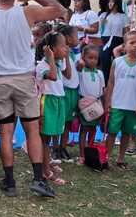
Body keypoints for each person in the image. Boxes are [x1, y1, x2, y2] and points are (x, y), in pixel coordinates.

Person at [0, 0, 65, 198]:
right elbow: (59, 10)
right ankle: (37, 179)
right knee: (32, 129)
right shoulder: (28, 12)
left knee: (6, 131)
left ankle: (10, 181)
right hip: (24, 78)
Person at [105, 30, 136, 168]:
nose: (135, 45)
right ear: (124, 46)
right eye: (131, 42)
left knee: (127, 133)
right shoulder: (117, 62)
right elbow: (110, 82)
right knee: (112, 132)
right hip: (117, 104)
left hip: (134, 106)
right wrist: (108, 100)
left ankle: (121, 158)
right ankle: (106, 157)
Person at [35, 31, 71, 185]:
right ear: (51, 49)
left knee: (49, 137)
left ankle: (47, 163)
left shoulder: (57, 63)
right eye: (63, 46)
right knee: (44, 138)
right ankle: (45, 171)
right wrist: (49, 57)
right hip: (47, 102)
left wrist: (67, 56)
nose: (66, 48)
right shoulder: (42, 65)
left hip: (58, 101)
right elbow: (54, 77)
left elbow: (68, 74)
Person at [55, 23, 79, 163]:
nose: (78, 38)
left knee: (68, 121)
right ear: (69, 38)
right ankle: (56, 147)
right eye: (76, 36)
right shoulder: (63, 53)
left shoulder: (74, 52)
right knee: (61, 121)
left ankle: (63, 147)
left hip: (73, 91)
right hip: (64, 91)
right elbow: (68, 75)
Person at [78, 45, 105, 163]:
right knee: (84, 129)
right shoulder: (81, 71)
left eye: (95, 58)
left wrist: (103, 104)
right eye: (90, 57)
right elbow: (78, 64)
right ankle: (82, 154)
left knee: (93, 129)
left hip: (97, 105)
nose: (93, 60)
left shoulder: (100, 73)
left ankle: (90, 150)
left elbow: (102, 90)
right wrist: (81, 61)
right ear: (84, 57)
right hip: (85, 105)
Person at [101, 0, 130, 82]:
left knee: (117, 62)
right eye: (109, 1)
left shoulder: (123, 16)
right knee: (105, 61)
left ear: (117, 3)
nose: (110, 3)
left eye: (112, 1)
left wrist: (126, 44)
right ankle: (105, 83)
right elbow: (101, 29)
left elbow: (126, 31)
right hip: (105, 40)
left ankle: (118, 81)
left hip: (117, 40)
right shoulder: (105, 15)